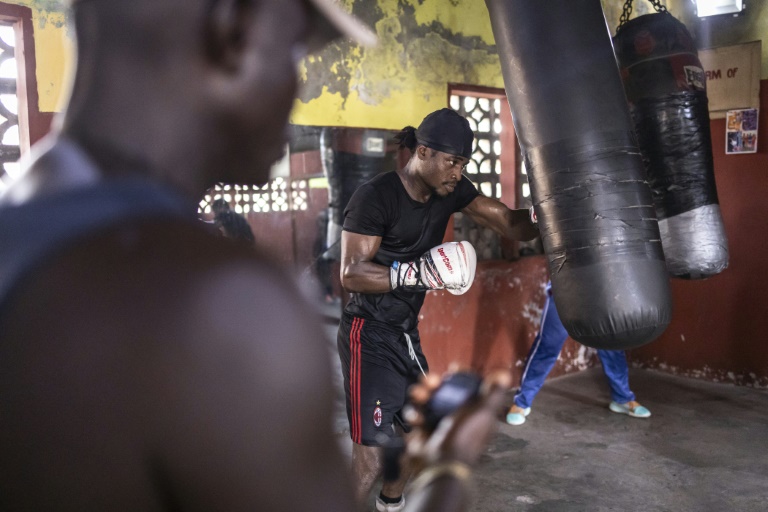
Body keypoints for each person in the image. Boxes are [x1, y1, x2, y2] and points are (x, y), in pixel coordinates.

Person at [0, 1, 509, 511]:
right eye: (293, 51)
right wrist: (450, 461)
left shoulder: (23, 222)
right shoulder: (227, 300)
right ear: (232, 31)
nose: (298, 91)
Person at [337, 108, 540, 511]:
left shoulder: (451, 188)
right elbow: (351, 273)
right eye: (452, 162)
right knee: (373, 450)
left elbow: (508, 222)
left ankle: (390, 506)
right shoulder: (376, 197)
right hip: (368, 332)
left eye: (463, 164)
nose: (457, 172)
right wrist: (415, 272)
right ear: (424, 152)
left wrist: (546, 214)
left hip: (404, 333)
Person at [506, 281, 651, 426]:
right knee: (548, 346)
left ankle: (622, 399)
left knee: (611, 345)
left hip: (602, 291)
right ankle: (521, 403)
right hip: (565, 289)